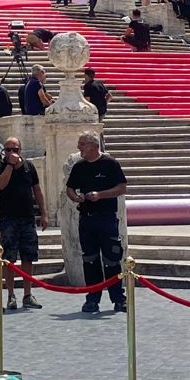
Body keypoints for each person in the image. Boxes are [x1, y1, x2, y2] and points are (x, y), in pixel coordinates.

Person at [65, 132, 127, 314]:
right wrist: (75, 197)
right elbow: (69, 188)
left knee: (112, 260)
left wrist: (100, 195)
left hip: (106, 218)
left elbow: (122, 187)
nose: (79, 148)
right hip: (87, 219)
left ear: (93, 145)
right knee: (89, 260)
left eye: (82, 144)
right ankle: (92, 299)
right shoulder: (79, 167)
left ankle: (118, 299)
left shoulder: (110, 164)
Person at [0, 136, 45, 312]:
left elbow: (36, 189)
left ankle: (28, 294)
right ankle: (11, 295)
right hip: (9, 218)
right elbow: (0, 184)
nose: (12, 153)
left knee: (28, 256)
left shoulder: (29, 166)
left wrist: (43, 213)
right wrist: (9, 165)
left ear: (20, 150)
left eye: (15, 150)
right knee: (9, 258)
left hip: (28, 217)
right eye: (8, 150)